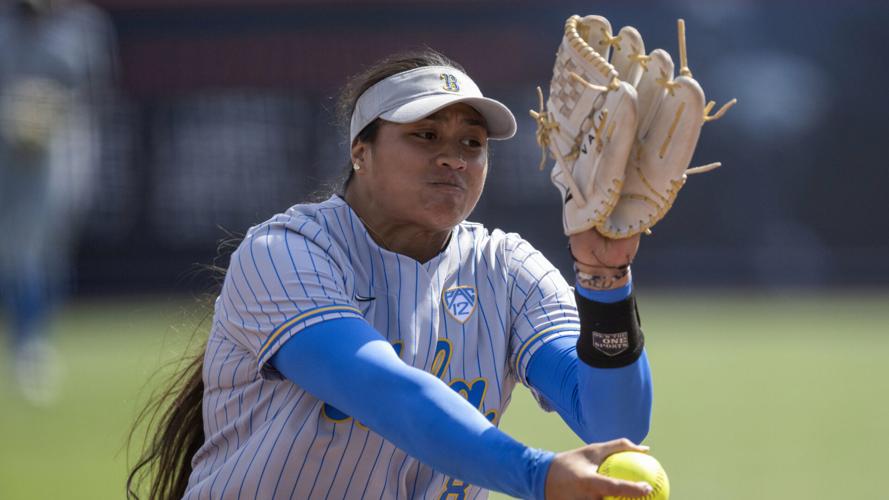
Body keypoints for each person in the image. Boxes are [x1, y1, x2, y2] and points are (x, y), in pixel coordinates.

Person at [129, 49, 654, 500]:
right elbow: (380, 390)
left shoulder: (506, 268)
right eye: (426, 135)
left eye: (472, 143)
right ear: (361, 152)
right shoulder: (285, 252)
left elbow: (612, 425)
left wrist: (604, 276)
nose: (453, 158)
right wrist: (535, 476)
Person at [0, 0, 115, 404]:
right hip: (6, 157)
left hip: (61, 153)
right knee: (11, 252)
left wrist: (48, 110)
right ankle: (25, 341)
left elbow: (98, 92)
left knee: (45, 251)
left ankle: (34, 342)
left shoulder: (82, 26)